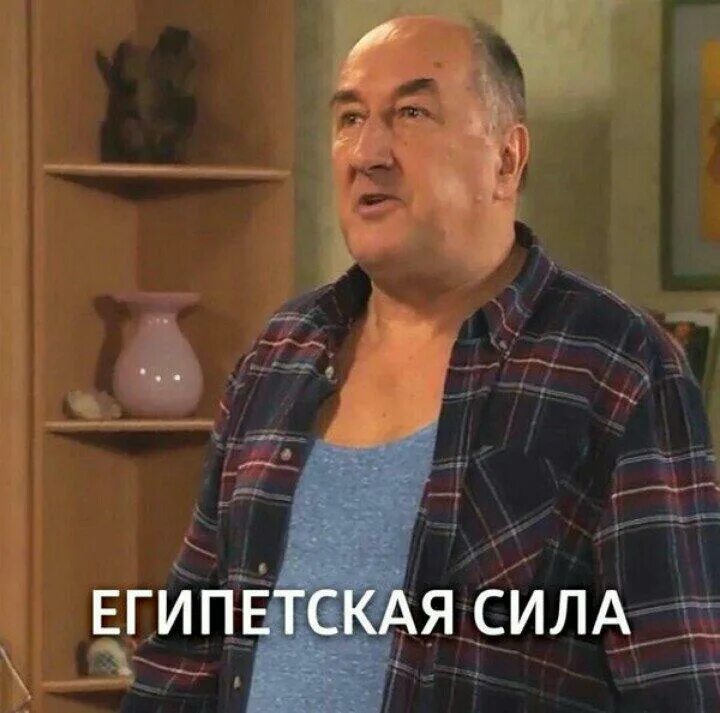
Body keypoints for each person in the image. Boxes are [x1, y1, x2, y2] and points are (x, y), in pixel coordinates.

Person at [119, 15, 720, 712]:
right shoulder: (280, 355)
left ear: (506, 159)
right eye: (350, 118)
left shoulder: (616, 364)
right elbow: (188, 651)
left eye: (410, 113)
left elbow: (680, 686)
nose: (367, 152)